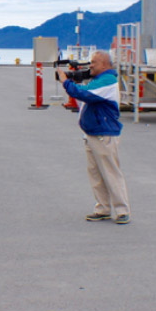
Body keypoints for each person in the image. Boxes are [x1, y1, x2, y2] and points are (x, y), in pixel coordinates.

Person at [57, 50, 130, 224]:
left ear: (104, 64)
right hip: (93, 133)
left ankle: (122, 210)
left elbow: (84, 93)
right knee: (96, 174)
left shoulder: (107, 81)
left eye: (94, 62)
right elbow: (85, 92)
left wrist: (66, 82)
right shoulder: (99, 80)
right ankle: (103, 208)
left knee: (111, 173)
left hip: (104, 134)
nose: (90, 65)